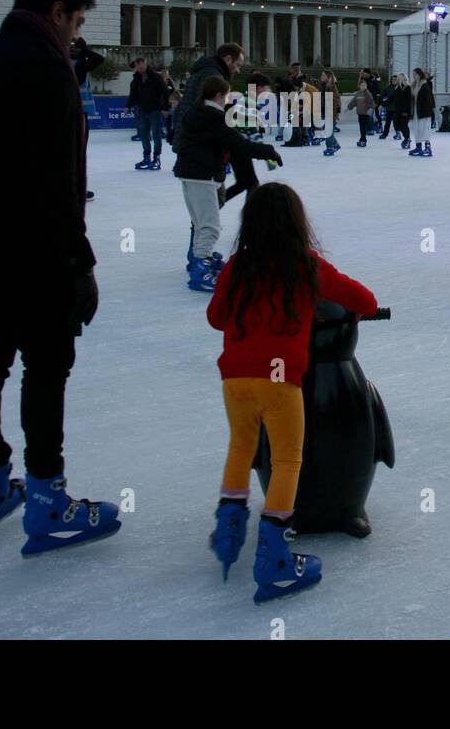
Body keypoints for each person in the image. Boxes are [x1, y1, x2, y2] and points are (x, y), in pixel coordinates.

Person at [0, 0, 121, 553]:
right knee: (47, 368)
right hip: (36, 252)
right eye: (78, 20)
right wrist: (80, 262)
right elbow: (56, 181)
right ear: (57, 12)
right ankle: (45, 499)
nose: (77, 33)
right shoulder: (49, 70)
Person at [206, 182, 377, 600]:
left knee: (241, 449)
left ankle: (229, 529)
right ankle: (276, 558)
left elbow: (216, 318)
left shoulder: (237, 266)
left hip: (236, 379)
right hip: (280, 381)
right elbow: (365, 300)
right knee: (285, 461)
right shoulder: (306, 266)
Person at [174, 75, 282, 292]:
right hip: (202, 175)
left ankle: (200, 259)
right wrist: (268, 151)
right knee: (210, 227)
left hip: (190, 173)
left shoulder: (194, 112)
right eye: (225, 96)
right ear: (218, 95)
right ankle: (200, 268)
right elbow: (238, 144)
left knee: (200, 222)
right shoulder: (213, 117)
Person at [127, 57, 168, 171]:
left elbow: (165, 92)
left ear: (146, 64)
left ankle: (157, 159)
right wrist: (128, 106)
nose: (140, 67)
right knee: (144, 135)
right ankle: (146, 158)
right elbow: (133, 94)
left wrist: (164, 107)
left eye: (141, 64)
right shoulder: (136, 79)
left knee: (156, 135)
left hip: (155, 109)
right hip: (142, 110)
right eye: (137, 65)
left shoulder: (156, 77)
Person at [408, 68, 434, 157]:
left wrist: (425, 112)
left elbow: (427, 100)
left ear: (419, 75)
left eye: (415, 74)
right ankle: (418, 147)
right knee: (417, 129)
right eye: (413, 74)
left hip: (424, 112)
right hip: (416, 110)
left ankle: (428, 148)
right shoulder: (414, 85)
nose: (413, 76)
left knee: (425, 129)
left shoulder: (424, 85)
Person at [350, 79, 376, 147]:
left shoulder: (367, 93)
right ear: (359, 86)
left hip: (366, 113)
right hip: (360, 113)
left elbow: (372, 102)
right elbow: (354, 101)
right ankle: (362, 139)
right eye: (362, 85)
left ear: (366, 86)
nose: (363, 87)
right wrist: (349, 107)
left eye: (364, 85)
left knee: (363, 127)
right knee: (361, 127)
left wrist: (371, 109)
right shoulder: (358, 93)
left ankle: (363, 140)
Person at [391, 73, 413, 148]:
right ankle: (406, 138)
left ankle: (407, 139)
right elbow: (393, 97)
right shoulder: (398, 87)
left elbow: (408, 101)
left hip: (404, 111)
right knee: (397, 125)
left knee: (404, 126)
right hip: (397, 111)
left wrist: (405, 111)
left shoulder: (407, 87)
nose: (396, 80)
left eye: (397, 78)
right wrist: (382, 104)